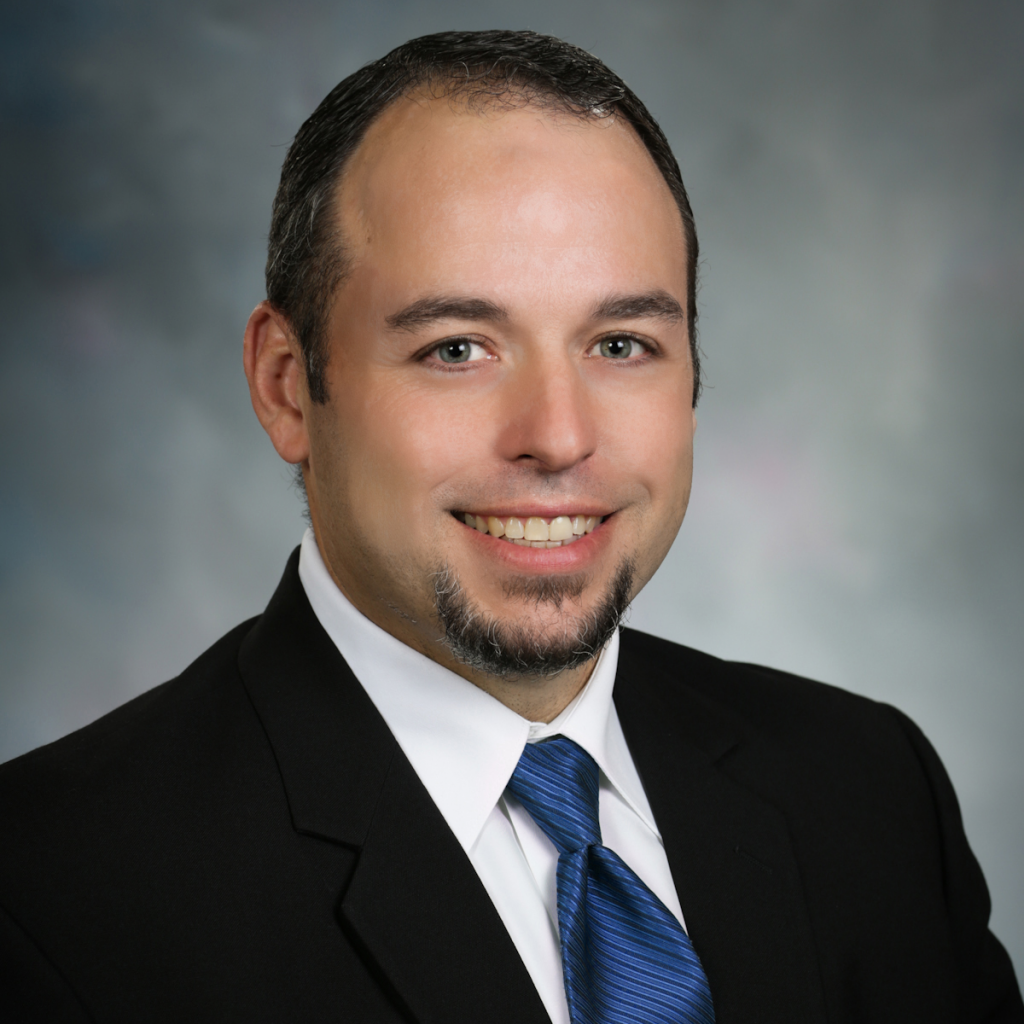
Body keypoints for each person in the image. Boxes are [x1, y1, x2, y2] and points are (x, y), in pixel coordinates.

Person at [0, 29, 1020, 1024]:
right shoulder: (49, 895)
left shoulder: (868, 789)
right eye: (457, 349)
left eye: (620, 343)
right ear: (287, 387)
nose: (558, 436)